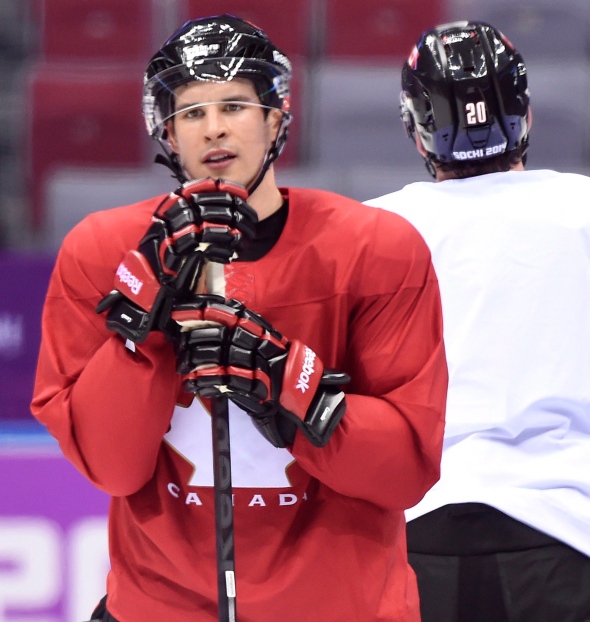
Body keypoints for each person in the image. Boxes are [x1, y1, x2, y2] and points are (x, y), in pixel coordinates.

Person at [31, 15, 448, 622]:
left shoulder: (376, 248)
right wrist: (145, 313)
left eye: (234, 105)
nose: (215, 127)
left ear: (277, 117)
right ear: (168, 134)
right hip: (159, 608)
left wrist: (290, 382)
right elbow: (111, 464)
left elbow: (405, 471)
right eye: (192, 112)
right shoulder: (100, 252)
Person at [364, 21, 590, 622]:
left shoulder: (365, 233)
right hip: (584, 539)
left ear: (417, 129)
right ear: (524, 113)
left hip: (408, 542)